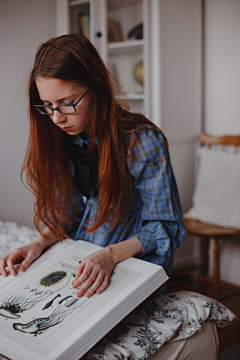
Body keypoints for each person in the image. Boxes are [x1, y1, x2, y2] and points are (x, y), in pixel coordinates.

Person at [0, 34, 186, 299]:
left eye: (67, 103)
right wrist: (39, 242)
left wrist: (110, 255)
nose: (56, 117)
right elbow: (71, 210)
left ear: (96, 86)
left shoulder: (142, 141)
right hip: (86, 252)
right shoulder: (67, 136)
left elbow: (167, 227)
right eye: (48, 106)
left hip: (131, 258)